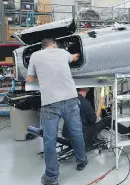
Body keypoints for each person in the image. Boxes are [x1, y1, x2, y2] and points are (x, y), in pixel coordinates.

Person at [26, 38, 87, 185]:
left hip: (50, 103)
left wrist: (41, 74)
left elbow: (29, 79)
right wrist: (78, 53)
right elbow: (75, 57)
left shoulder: (35, 55)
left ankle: (51, 178)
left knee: (49, 140)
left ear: (43, 46)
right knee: (76, 132)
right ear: (53, 44)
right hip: (71, 99)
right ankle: (82, 161)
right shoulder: (63, 52)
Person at [62, 87, 130, 144]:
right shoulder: (85, 102)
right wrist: (100, 104)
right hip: (82, 138)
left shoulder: (70, 99)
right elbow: (94, 120)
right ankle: (128, 131)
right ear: (85, 89)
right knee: (107, 120)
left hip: (66, 135)